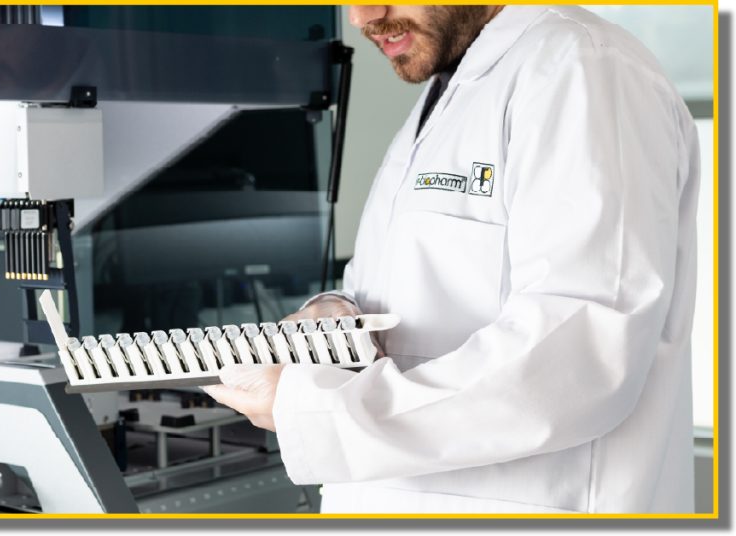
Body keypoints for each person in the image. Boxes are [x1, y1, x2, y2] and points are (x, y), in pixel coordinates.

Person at [203, 4, 700, 514]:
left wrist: (317, 411)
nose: (363, 16)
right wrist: (335, 313)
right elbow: (423, 290)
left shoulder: (584, 67)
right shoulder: (454, 89)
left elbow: (582, 351)